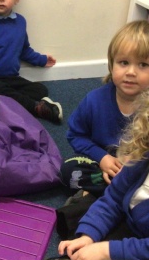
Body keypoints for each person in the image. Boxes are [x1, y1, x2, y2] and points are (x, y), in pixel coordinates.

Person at [38, 90, 149, 260]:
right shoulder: (141, 159)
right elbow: (113, 199)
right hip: (136, 226)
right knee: (81, 214)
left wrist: (106, 251)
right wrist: (88, 236)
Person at [58, 21, 149, 229]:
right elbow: (75, 136)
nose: (131, 72)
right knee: (68, 170)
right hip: (103, 166)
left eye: (143, 65)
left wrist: (135, 165)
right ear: (111, 64)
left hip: (138, 171)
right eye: (124, 62)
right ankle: (118, 201)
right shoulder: (94, 100)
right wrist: (102, 158)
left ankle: (96, 200)